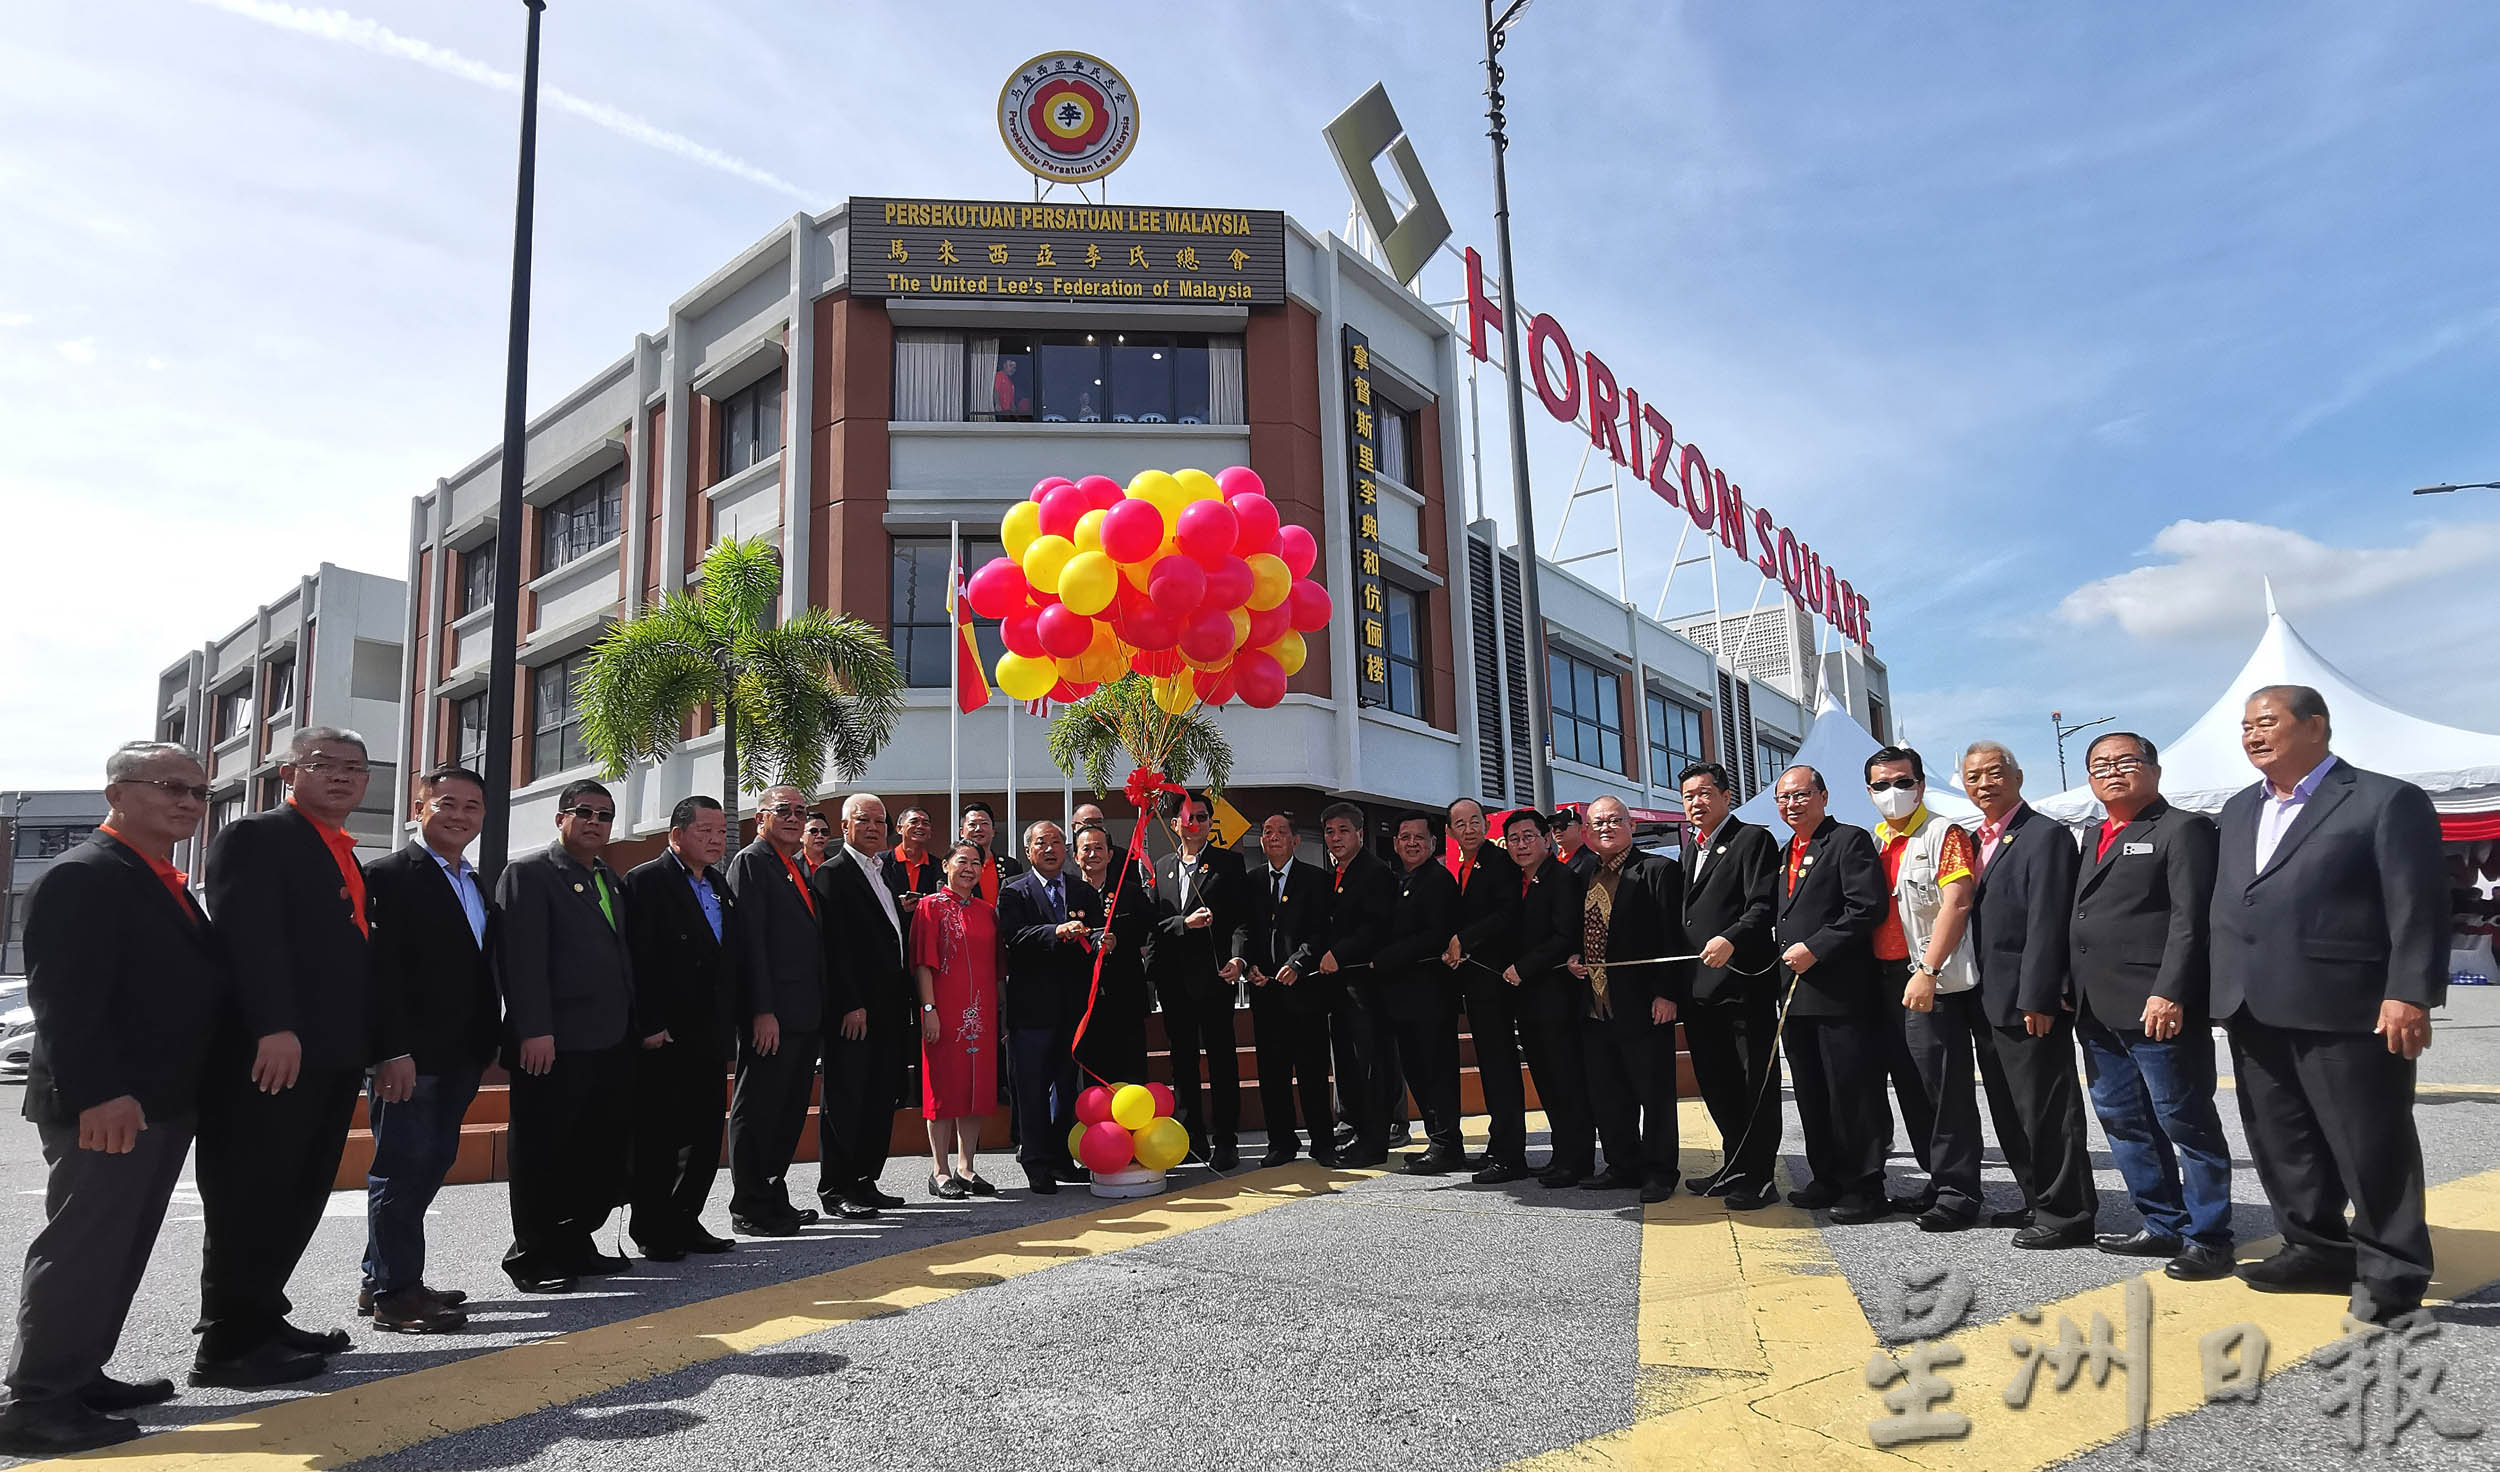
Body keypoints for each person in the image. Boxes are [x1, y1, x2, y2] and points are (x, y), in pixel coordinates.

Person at [2, 744, 225, 1455]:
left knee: (119, 1247)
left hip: (158, 1100)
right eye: (172, 787)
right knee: (83, 1248)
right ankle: (36, 1402)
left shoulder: (161, 879)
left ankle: (79, 1374)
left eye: (199, 792)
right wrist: (100, 1094)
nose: (190, 802)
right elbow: (65, 1001)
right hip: (109, 1104)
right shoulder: (85, 875)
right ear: (117, 793)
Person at [2211, 686, 2445, 1324]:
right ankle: (2314, 1248)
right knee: (2282, 1141)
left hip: (2349, 1004)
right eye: (2246, 726)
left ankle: (2393, 1270)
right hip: (2253, 1001)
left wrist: (2409, 991)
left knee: (2371, 1142)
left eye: (2268, 722)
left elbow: (2417, 905)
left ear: (2316, 726)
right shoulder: (2237, 810)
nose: (2253, 735)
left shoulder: (2383, 798)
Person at [193, 726, 375, 1384]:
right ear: (287, 773)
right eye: (324, 764)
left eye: (355, 768)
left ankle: (263, 1316)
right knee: (252, 1191)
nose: (343, 777)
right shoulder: (256, 836)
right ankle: (226, 1345)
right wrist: (274, 1026)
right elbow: (250, 938)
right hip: (273, 1052)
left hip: (330, 1055)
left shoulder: (340, 851)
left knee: (297, 1193)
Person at [2069, 732, 2233, 1281]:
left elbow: (2191, 920)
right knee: (2123, 1119)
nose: (2112, 771)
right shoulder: (2094, 833)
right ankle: (2161, 1222)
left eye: (2125, 761)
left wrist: (2172, 990)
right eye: (2100, 765)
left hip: (2155, 1005)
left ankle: (2208, 1235)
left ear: (2154, 769)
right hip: (2096, 1007)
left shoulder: (2183, 829)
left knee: (2184, 1119)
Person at [358, 766, 499, 1332]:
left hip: (460, 1053)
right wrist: (390, 1050)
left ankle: (383, 1278)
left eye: (472, 806)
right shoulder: (389, 875)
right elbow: (379, 974)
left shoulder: (474, 880)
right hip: (408, 1057)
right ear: (419, 809)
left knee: (430, 1163)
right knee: (401, 1167)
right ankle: (397, 1295)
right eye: (447, 804)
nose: (460, 815)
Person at [493, 779, 638, 1294]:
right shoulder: (529, 874)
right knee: (542, 1152)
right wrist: (534, 1029)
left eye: (605, 814)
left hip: (609, 1040)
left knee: (593, 1152)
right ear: (561, 818)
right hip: (553, 1043)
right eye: (584, 812)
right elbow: (521, 961)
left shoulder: (609, 878)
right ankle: (533, 1256)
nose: (595, 822)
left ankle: (577, 1241)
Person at [1962, 740, 2098, 1250]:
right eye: (1973, 777)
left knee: (2047, 1107)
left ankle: (2068, 1212)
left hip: (2027, 1001)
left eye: (1994, 773)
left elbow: (2048, 920)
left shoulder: (2045, 835)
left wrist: (2040, 997)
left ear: (2017, 776)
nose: (1984, 785)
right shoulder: (1976, 841)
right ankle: (2035, 1198)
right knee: (2010, 1108)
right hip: (1986, 997)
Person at [1863, 748, 1989, 1233]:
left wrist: (1929, 970)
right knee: (1912, 1087)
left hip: (1929, 978)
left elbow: (1957, 903)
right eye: (1880, 785)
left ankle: (1960, 1192)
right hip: (1886, 980)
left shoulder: (1944, 833)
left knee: (1944, 1087)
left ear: (1919, 783)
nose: (1891, 792)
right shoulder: (1878, 841)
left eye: (1902, 781)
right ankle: (1937, 1179)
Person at [621, 795, 742, 1261]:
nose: (715, 840)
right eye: (704, 831)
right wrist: (648, 1023)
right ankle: (652, 1227)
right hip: (665, 1034)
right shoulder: (647, 881)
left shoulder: (716, 883)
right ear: (677, 834)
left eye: (719, 832)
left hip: (708, 1031)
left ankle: (685, 1218)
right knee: (660, 1137)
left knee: (704, 1134)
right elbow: (637, 958)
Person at [1770, 766, 1892, 1221]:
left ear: (1823, 795)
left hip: (1840, 994)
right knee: (1812, 1092)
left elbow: (1866, 907)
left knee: (1852, 1094)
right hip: (1796, 995)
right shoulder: (1787, 851)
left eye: (1801, 795)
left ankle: (1865, 1187)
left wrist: (1817, 948)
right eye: (1783, 798)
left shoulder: (1847, 840)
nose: (1791, 805)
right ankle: (1826, 1177)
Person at [1674, 763, 1783, 1211]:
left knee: (1752, 1083)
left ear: (1725, 795)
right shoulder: (1690, 851)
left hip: (1742, 986)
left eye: (1703, 793)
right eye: (1688, 796)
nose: (1696, 803)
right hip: (1701, 992)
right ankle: (1735, 1162)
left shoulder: (1751, 839)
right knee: (1716, 1083)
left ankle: (1759, 1176)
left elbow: (1762, 905)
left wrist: (1732, 939)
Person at [1571, 795, 1690, 1202]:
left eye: (1614, 820)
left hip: (1643, 1001)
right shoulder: (1584, 871)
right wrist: (1574, 957)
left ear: (1631, 825)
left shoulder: (1657, 870)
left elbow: (1672, 934)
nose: (1606, 828)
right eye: (1597, 822)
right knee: (1607, 1091)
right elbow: (1580, 930)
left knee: (1652, 1091)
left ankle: (1659, 1170)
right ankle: (1622, 1164)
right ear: (1587, 831)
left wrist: (1667, 992)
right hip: (1595, 1001)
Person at [724, 785, 830, 1232]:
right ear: (760, 817)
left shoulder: (794, 866)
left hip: (803, 1012)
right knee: (760, 1107)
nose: (793, 817)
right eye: (783, 810)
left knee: (787, 1110)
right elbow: (751, 945)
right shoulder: (751, 861)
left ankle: (773, 1193)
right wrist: (761, 1011)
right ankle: (749, 1205)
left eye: (800, 811)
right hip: (772, 1015)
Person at [812, 794, 916, 1220]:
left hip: (890, 1007)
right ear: (844, 824)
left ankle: (865, 1179)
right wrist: (850, 1004)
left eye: (880, 820)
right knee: (847, 1096)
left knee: (879, 1096)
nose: (874, 827)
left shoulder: (884, 871)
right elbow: (833, 947)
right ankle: (836, 1187)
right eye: (864, 820)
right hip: (855, 1011)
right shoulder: (832, 874)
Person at [997, 822, 1103, 1192]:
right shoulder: (1014, 892)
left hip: (1073, 1009)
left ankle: (1061, 1157)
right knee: (1032, 1090)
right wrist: (1055, 932)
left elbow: (1097, 931)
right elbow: (1013, 937)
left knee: (1066, 1087)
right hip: (1031, 1010)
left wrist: (1107, 940)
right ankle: (1036, 1161)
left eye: (1058, 842)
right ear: (1029, 851)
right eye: (1042, 843)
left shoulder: (1081, 891)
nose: (1051, 848)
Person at [1148, 792, 1249, 1169]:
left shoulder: (1229, 864)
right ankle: (1192, 1139)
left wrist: (1238, 957)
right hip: (1175, 984)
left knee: (1222, 1062)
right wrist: (1182, 924)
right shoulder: (1161, 867)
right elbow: (1154, 923)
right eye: (1189, 818)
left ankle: (1226, 1140)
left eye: (1204, 818)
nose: (1197, 824)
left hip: (1216, 978)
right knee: (1183, 1063)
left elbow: (1241, 919)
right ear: (1175, 824)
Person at [1500, 810, 1596, 1187]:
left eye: (1528, 837)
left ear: (1546, 839)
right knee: (1546, 1080)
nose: (1521, 845)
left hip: (1556, 998)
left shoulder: (1561, 878)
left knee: (1566, 1080)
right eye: (1514, 839)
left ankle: (1577, 1160)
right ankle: (1562, 1155)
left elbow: (1563, 936)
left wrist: (1523, 967)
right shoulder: (1517, 881)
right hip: (1529, 1001)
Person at [1233, 813, 1334, 1167]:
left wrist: (1299, 962)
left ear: (1295, 841)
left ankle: (1323, 1143)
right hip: (1266, 994)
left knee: (1312, 1071)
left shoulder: (1317, 879)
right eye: (1267, 832)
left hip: (1305, 992)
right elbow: (1245, 929)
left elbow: (1322, 931)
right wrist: (1248, 965)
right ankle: (1281, 1143)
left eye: (1281, 832)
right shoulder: (1252, 881)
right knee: (1273, 1074)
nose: (1273, 837)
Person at [1443, 798, 1528, 1184]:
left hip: (1496, 980)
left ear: (1485, 823)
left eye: (1475, 820)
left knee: (1500, 1067)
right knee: (1491, 1068)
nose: (1469, 828)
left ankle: (1510, 1155)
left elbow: (1506, 915)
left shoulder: (1499, 863)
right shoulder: (1458, 867)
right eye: (1460, 823)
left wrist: (1464, 939)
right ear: (1451, 831)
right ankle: (1498, 1146)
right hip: (1473, 980)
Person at [910, 841, 1002, 1199]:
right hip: (944, 1012)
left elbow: (997, 967)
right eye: (962, 861)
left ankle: (966, 1166)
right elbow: (922, 963)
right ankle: (940, 1170)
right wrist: (929, 1010)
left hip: (981, 1011)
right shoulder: (929, 907)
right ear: (946, 865)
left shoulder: (986, 910)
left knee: (975, 1089)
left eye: (976, 863)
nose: (969, 868)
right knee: (943, 1089)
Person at [1374, 813, 1465, 1173]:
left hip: (1431, 997)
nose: (1412, 843)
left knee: (1436, 1072)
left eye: (1419, 837)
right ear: (1395, 843)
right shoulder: (1399, 879)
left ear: (1433, 843)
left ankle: (1447, 1145)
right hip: (1403, 999)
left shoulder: (1438, 881)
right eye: (1405, 837)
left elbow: (1433, 935)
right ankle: (1437, 1141)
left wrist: (1384, 957)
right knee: (1416, 1071)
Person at [1315, 803, 1397, 1167]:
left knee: (1370, 1064)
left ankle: (1375, 1140)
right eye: (1330, 831)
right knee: (1347, 1063)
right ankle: (1358, 1129)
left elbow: (1376, 927)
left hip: (1366, 985)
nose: (1335, 838)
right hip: (1339, 989)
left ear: (1360, 833)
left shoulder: (1375, 872)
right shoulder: (1334, 873)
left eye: (1343, 830)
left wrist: (1340, 953)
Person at [1072, 822, 1153, 1089]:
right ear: (1075, 856)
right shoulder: (1067, 894)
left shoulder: (1129, 892)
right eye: (1086, 849)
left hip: (1125, 999)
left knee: (1131, 1075)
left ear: (1110, 854)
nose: (1093, 854)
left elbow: (1148, 930)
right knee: (1091, 1078)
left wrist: (1120, 940)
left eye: (1099, 848)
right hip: (1084, 1001)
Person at [960, 801, 1026, 904]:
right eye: (972, 824)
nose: (978, 829)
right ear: (961, 832)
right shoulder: (954, 867)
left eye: (984, 823)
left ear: (993, 831)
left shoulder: (1011, 866)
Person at [880, 807, 944, 910]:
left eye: (925, 823)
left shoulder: (938, 867)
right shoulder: (880, 862)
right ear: (900, 829)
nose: (920, 826)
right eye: (914, 822)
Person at [1552, 806, 1597, 877]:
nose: (1558, 831)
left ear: (1579, 828)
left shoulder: (1592, 861)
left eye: (1563, 825)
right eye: (1554, 827)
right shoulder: (1552, 861)